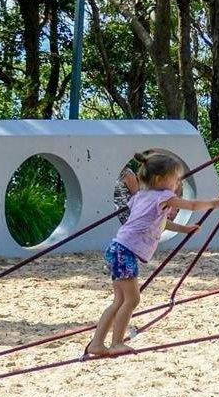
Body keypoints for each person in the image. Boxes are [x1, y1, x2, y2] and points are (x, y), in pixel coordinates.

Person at [85, 152, 204, 357]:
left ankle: (97, 343)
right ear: (160, 180)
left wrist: (185, 229)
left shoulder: (143, 197)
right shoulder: (161, 197)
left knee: (119, 301)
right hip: (125, 253)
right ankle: (116, 343)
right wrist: (213, 203)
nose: (177, 185)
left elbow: (161, 222)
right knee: (131, 300)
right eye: (175, 180)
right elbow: (191, 205)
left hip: (118, 249)